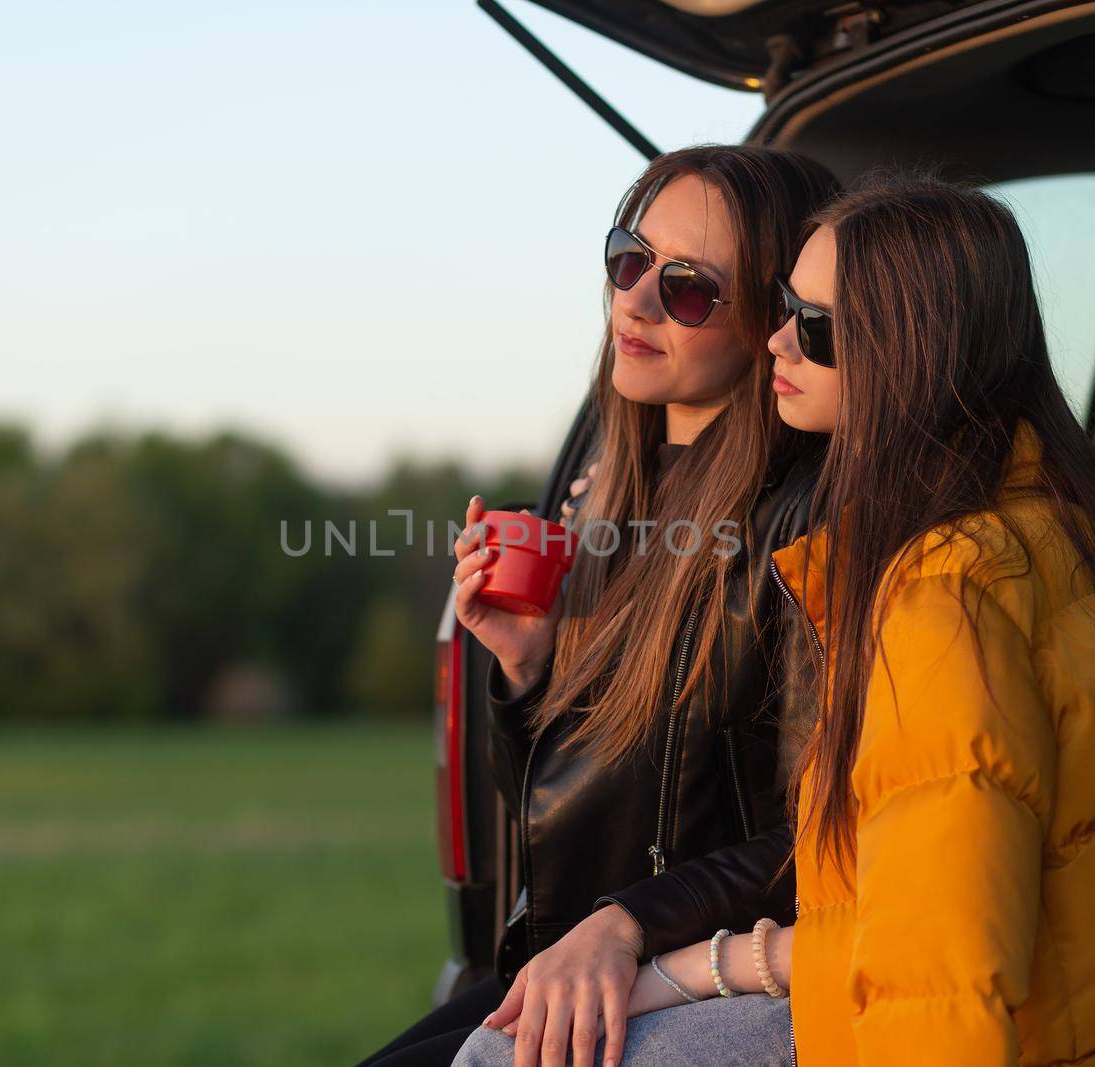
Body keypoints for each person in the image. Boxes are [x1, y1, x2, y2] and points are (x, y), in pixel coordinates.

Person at [458, 175, 1095, 1067]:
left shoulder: (939, 592)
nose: (776, 339)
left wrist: (673, 956)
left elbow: (931, 990)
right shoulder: (1070, 529)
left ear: (910, 351)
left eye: (814, 326)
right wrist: (533, 674)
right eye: (626, 260)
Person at [355, 145, 839, 1067]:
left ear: (770, 324)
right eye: (629, 258)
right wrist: (531, 671)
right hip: (576, 953)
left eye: (691, 288)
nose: (637, 300)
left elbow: (826, 834)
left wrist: (627, 924)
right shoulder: (611, 500)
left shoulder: (802, 533)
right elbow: (579, 824)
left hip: (694, 967)